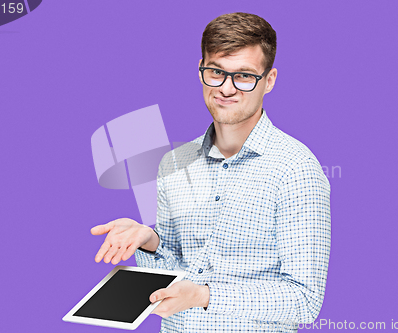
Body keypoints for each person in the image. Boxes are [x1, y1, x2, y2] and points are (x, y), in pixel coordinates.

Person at [91, 12, 331, 333]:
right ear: (201, 71)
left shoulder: (295, 168)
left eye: (244, 76)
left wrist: (205, 296)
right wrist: (150, 242)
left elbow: (304, 299)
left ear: (269, 80)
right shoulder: (175, 162)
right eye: (216, 71)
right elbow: (176, 271)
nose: (227, 88)